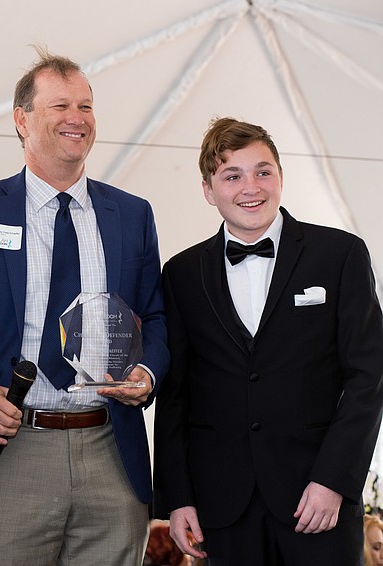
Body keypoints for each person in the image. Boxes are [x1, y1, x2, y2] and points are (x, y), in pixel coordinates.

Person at [0, 48, 169, 564]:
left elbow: (155, 315)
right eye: (60, 106)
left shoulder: (132, 214)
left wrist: (148, 373)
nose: (76, 118)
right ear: (21, 120)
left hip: (110, 447)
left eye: (86, 106)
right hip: (8, 447)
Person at [154, 117, 383, 565]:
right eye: (232, 176)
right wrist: (177, 498)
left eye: (263, 171)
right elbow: (175, 394)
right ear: (208, 190)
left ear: (280, 176)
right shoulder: (181, 273)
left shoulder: (340, 254)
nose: (251, 187)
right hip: (222, 505)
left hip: (318, 500)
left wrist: (334, 479)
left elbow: (368, 377)